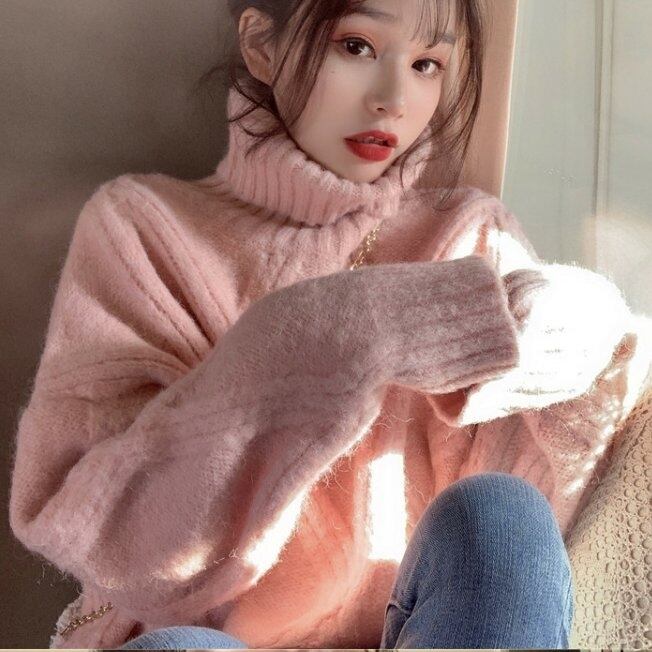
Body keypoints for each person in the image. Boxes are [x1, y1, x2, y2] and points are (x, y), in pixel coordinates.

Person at [8, 0, 648, 649]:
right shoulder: (142, 230)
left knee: (503, 515)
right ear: (262, 45)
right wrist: (336, 333)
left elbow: (541, 501)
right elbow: (109, 543)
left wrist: (580, 314)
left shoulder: (467, 234)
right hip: (203, 635)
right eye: (357, 46)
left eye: (427, 63)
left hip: (420, 631)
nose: (393, 99)